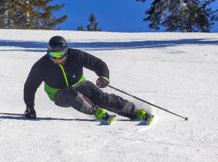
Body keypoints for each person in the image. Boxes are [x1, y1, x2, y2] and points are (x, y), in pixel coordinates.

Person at [23, 36, 154, 125]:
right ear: (48, 52)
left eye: (60, 55)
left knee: (102, 98)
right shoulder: (41, 65)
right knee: (69, 92)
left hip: (80, 84)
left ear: (66, 52)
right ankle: (97, 113)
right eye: (53, 55)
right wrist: (30, 106)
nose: (56, 59)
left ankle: (136, 113)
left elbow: (98, 63)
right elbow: (30, 86)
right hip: (59, 94)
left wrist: (104, 76)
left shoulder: (76, 55)